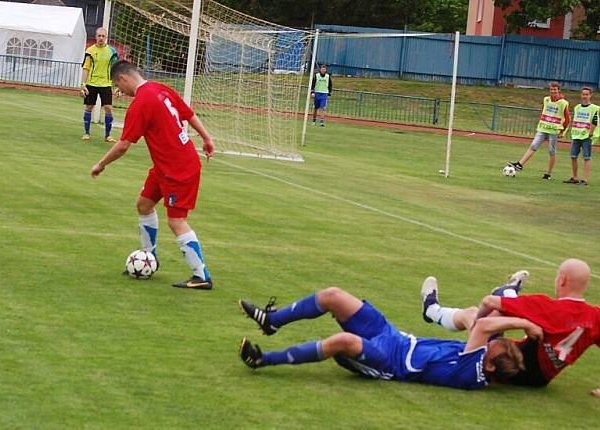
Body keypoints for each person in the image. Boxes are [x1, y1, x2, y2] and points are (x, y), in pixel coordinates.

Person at [238, 287, 544, 390]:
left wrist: (525, 323)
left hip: (389, 363)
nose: (493, 342)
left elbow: (482, 326)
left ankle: (263, 359)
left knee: (344, 341)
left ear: (489, 366)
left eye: (494, 346)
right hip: (393, 337)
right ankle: (272, 321)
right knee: (334, 296)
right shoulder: (485, 358)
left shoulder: (472, 372)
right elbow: (481, 320)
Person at [421, 259, 600, 398]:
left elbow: (487, 302)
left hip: (510, 368)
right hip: (539, 380)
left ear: (561, 280)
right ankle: (508, 291)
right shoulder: (598, 316)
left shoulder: (549, 306)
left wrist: (476, 326)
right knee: (501, 313)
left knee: (475, 314)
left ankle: (431, 308)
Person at [90, 60, 216, 289]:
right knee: (144, 205)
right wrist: (207, 138)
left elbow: (123, 145)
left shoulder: (141, 103)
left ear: (123, 79)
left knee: (176, 221)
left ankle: (201, 276)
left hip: (178, 168)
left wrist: (101, 164)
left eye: (118, 85)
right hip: (165, 166)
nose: (121, 91)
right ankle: (150, 257)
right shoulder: (161, 88)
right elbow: (189, 114)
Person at [508, 82, 570, 180]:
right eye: (551, 89)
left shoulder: (563, 103)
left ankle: (548, 173)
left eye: (555, 89)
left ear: (559, 90)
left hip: (554, 130)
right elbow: (544, 111)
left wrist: (563, 131)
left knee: (551, 151)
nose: (553, 91)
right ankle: (520, 164)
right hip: (543, 128)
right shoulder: (546, 99)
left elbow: (567, 119)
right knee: (533, 145)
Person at [80, 27, 120, 143]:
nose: (101, 38)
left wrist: (118, 85)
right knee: (89, 107)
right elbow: (86, 68)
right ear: (96, 37)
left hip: (106, 84)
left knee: (108, 108)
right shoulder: (90, 50)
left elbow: (116, 69)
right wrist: (83, 84)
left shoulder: (112, 51)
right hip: (92, 83)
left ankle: (108, 135)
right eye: (99, 36)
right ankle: (87, 133)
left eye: (103, 36)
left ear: (106, 37)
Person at [564, 87, 600, 185]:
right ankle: (575, 177)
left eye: (586, 94)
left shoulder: (594, 108)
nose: (584, 96)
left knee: (586, 157)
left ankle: (584, 179)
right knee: (573, 156)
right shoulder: (577, 107)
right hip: (576, 135)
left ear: (590, 95)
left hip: (586, 136)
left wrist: (590, 133)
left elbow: (595, 121)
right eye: (583, 94)